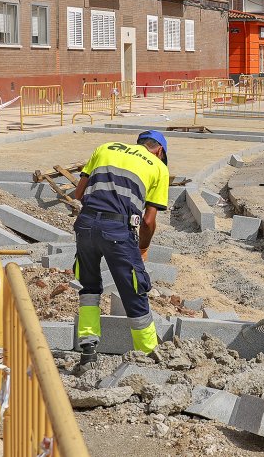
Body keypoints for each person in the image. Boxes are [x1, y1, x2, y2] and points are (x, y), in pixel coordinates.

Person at [71, 130, 170, 368]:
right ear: (160, 151)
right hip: (117, 230)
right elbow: (148, 221)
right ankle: (148, 353)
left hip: (85, 225)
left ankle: (88, 348)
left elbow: (78, 193)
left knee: (90, 287)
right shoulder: (159, 168)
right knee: (134, 290)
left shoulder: (105, 148)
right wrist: (143, 248)